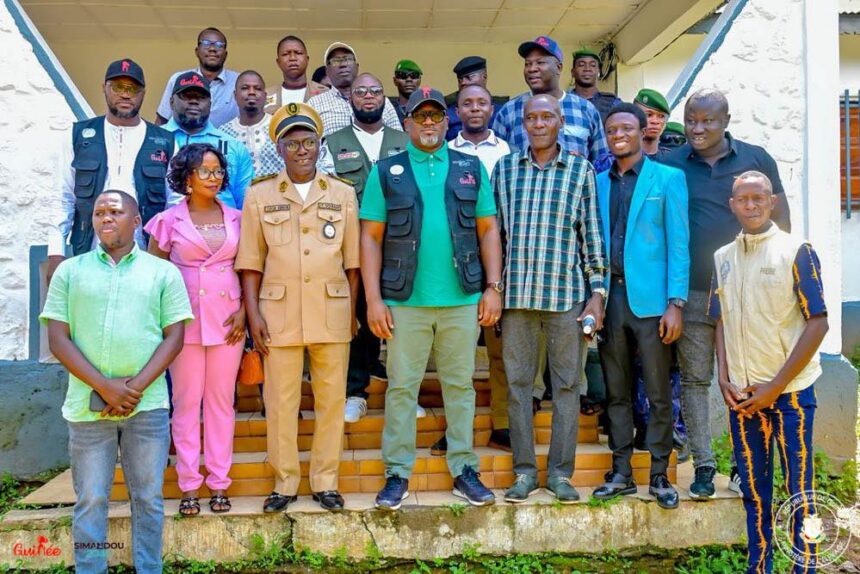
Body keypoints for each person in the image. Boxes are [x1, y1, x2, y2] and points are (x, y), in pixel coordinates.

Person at [361, 87, 502, 509]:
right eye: (419, 117)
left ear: (446, 122)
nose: (427, 124)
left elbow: (488, 229)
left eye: (435, 117)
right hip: (405, 302)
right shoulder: (386, 171)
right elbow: (369, 239)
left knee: (460, 386)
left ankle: (463, 468)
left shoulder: (470, 168)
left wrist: (493, 287)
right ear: (406, 124)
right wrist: (373, 300)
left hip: (462, 297)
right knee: (402, 387)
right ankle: (398, 473)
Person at [40, 190, 192, 574]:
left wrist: (133, 389)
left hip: (148, 407)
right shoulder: (70, 272)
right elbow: (58, 338)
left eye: (116, 211)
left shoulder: (163, 273)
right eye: (99, 212)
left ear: (137, 220)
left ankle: (148, 568)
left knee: (149, 498)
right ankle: (91, 568)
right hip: (86, 408)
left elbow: (174, 337)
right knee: (91, 498)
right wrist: (105, 386)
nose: (106, 218)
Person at [663, 89, 792, 500]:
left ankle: (745, 465)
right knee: (696, 380)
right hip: (693, 291)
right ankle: (703, 465)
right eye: (691, 120)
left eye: (708, 121)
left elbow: (782, 225)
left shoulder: (757, 160)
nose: (698, 129)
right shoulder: (670, 164)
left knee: (748, 377)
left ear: (726, 120)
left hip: (748, 294)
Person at [235, 103, 360, 512]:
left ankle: (325, 481)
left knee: (330, 400)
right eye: (292, 143)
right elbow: (251, 263)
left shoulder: (342, 193)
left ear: (320, 146)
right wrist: (253, 315)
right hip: (278, 313)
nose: (301, 150)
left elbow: (353, 261)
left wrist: (353, 312)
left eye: (308, 142)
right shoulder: (260, 193)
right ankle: (285, 482)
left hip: (331, 310)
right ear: (280, 148)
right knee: (281, 401)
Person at [710, 171, 828, 574]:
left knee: (801, 491)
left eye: (758, 197)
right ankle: (758, 565)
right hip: (743, 397)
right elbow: (720, 320)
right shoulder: (722, 258)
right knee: (755, 492)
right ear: (732, 205)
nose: (751, 205)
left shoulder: (797, 251)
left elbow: (819, 322)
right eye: (742, 199)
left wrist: (776, 386)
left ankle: (807, 564)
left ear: (772, 201)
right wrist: (724, 378)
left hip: (790, 393)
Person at [495, 94, 606, 504]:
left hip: (566, 299)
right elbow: (497, 236)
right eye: (531, 118)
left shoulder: (580, 171)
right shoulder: (505, 170)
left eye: (547, 117)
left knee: (567, 387)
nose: (539, 123)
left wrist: (597, 295)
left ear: (561, 121)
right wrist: (493, 288)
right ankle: (523, 473)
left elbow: (591, 236)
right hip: (518, 297)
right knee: (520, 387)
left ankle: (560, 474)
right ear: (523, 124)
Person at [589, 103, 689, 510]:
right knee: (616, 391)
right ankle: (621, 472)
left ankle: (661, 474)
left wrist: (675, 303)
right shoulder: (596, 182)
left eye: (626, 128)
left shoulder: (668, 178)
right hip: (610, 300)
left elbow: (679, 243)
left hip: (653, 305)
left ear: (640, 130)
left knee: (658, 391)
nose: (618, 135)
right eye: (612, 129)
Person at [144, 143, 244, 517]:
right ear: (186, 177)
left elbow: (250, 270)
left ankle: (219, 483)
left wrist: (245, 312)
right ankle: (189, 484)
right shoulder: (167, 221)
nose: (213, 177)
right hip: (182, 324)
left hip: (228, 322)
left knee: (221, 403)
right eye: (204, 171)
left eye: (218, 171)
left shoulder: (237, 218)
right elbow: (152, 278)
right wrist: (163, 323)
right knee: (185, 404)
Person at [317, 73, 410, 423]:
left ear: (385, 99)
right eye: (361, 92)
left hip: (402, 247)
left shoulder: (405, 140)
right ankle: (355, 392)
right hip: (352, 248)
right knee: (356, 318)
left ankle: (404, 392)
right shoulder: (333, 142)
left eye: (375, 91)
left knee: (402, 322)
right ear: (350, 99)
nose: (368, 97)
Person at [429, 84, 511, 453]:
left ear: (491, 108)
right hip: (455, 260)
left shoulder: (508, 151)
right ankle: (454, 429)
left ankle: (503, 424)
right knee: (452, 355)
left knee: (499, 348)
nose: (474, 109)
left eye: (481, 102)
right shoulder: (445, 153)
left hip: (499, 254)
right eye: (466, 104)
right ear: (455, 112)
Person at [47, 59, 175, 284]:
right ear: (104, 88)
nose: (126, 95)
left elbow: (174, 205)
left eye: (133, 88)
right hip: (89, 251)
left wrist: (165, 257)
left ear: (143, 93)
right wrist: (55, 254)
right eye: (118, 87)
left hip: (146, 255)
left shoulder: (164, 141)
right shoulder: (78, 135)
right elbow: (63, 198)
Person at [492, 36, 611, 172]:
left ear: (558, 68)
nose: (532, 69)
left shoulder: (586, 109)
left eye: (540, 62)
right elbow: (498, 164)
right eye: (528, 64)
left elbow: (602, 164)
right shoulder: (509, 111)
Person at [162, 71, 254, 209]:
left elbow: (247, 204)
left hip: (224, 227)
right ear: (171, 102)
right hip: (165, 227)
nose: (194, 101)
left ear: (210, 104)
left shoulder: (233, 146)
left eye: (201, 97)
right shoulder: (154, 140)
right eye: (186, 96)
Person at [307, 42, 403, 136]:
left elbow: (398, 139)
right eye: (336, 61)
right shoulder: (314, 104)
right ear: (327, 71)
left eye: (348, 59)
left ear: (357, 67)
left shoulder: (381, 101)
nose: (343, 65)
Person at [156, 28, 239, 127]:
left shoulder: (239, 82)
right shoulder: (179, 79)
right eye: (206, 43)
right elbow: (162, 121)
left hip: (226, 142)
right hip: (182, 141)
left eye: (219, 45)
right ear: (197, 51)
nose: (212, 49)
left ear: (225, 54)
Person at [221, 70, 285, 179]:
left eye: (257, 88)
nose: (251, 92)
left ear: (265, 96)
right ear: (235, 95)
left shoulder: (280, 127)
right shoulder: (223, 133)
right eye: (245, 88)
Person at [445, 56, 509, 141]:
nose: (463, 82)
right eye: (460, 80)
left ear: (484, 77)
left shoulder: (503, 110)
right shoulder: (449, 112)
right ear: (458, 112)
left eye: (468, 77)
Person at [264, 35, 329, 113]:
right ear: (278, 62)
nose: (292, 58)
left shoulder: (325, 93)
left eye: (298, 53)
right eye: (285, 54)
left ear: (307, 60)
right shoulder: (265, 96)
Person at [570, 48, 621, 122]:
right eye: (581, 65)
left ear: (598, 72)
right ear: (573, 72)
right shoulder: (562, 102)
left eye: (593, 65)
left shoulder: (612, 103)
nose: (587, 69)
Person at [633, 88, 671, 160]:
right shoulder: (617, 160)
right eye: (648, 115)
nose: (655, 121)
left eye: (661, 116)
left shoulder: (673, 160)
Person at [389, 59, 422, 127]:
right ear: (395, 81)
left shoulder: (428, 105)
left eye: (414, 75)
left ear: (420, 80)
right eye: (402, 76)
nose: (409, 79)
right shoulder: (388, 109)